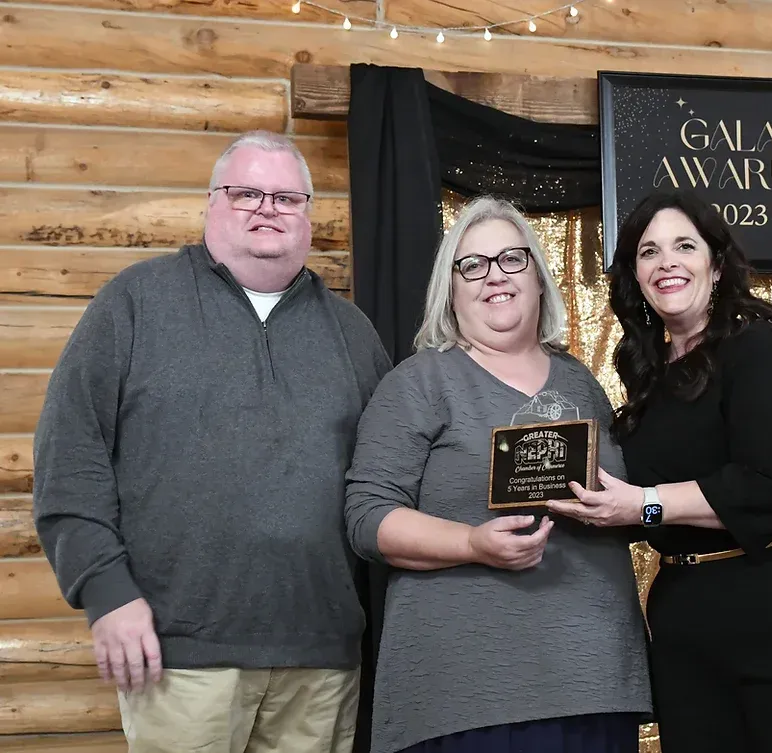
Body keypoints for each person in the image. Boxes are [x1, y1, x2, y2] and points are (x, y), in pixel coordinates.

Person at [33, 131, 391, 753]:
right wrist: (106, 592)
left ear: (309, 216)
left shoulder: (354, 334)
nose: (267, 209)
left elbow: (388, 481)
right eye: (246, 193)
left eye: (287, 198)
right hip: (177, 653)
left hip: (322, 656)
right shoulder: (134, 304)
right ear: (211, 203)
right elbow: (70, 458)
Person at [547, 189, 772, 753]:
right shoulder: (647, 376)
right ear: (635, 276)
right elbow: (636, 499)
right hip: (689, 623)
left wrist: (645, 504)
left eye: (684, 246)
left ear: (716, 265)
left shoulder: (755, 347)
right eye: (648, 252)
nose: (667, 262)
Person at [344, 196, 652, 753]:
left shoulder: (582, 383)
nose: (494, 276)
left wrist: (620, 511)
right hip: (466, 692)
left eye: (512, 258)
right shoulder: (418, 383)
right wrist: (472, 543)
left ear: (538, 278)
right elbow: (368, 518)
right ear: (450, 289)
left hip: (595, 678)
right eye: (473, 265)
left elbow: (627, 506)